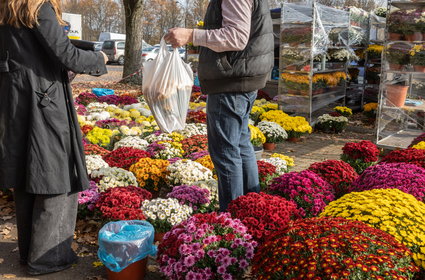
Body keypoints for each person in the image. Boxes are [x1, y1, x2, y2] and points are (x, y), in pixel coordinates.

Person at [0, 0, 108, 275]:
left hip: (15, 101)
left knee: (27, 174)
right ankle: (48, 257)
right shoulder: (38, 7)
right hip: (43, 101)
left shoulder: (7, 9)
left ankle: (30, 252)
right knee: (55, 173)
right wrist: (99, 60)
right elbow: (66, 56)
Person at [165, 0, 274, 211]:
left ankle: (233, 220)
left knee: (226, 152)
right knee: (240, 146)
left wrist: (191, 35)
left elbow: (235, 37)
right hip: (240, 78)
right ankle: (250, 211)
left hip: (230, 82)